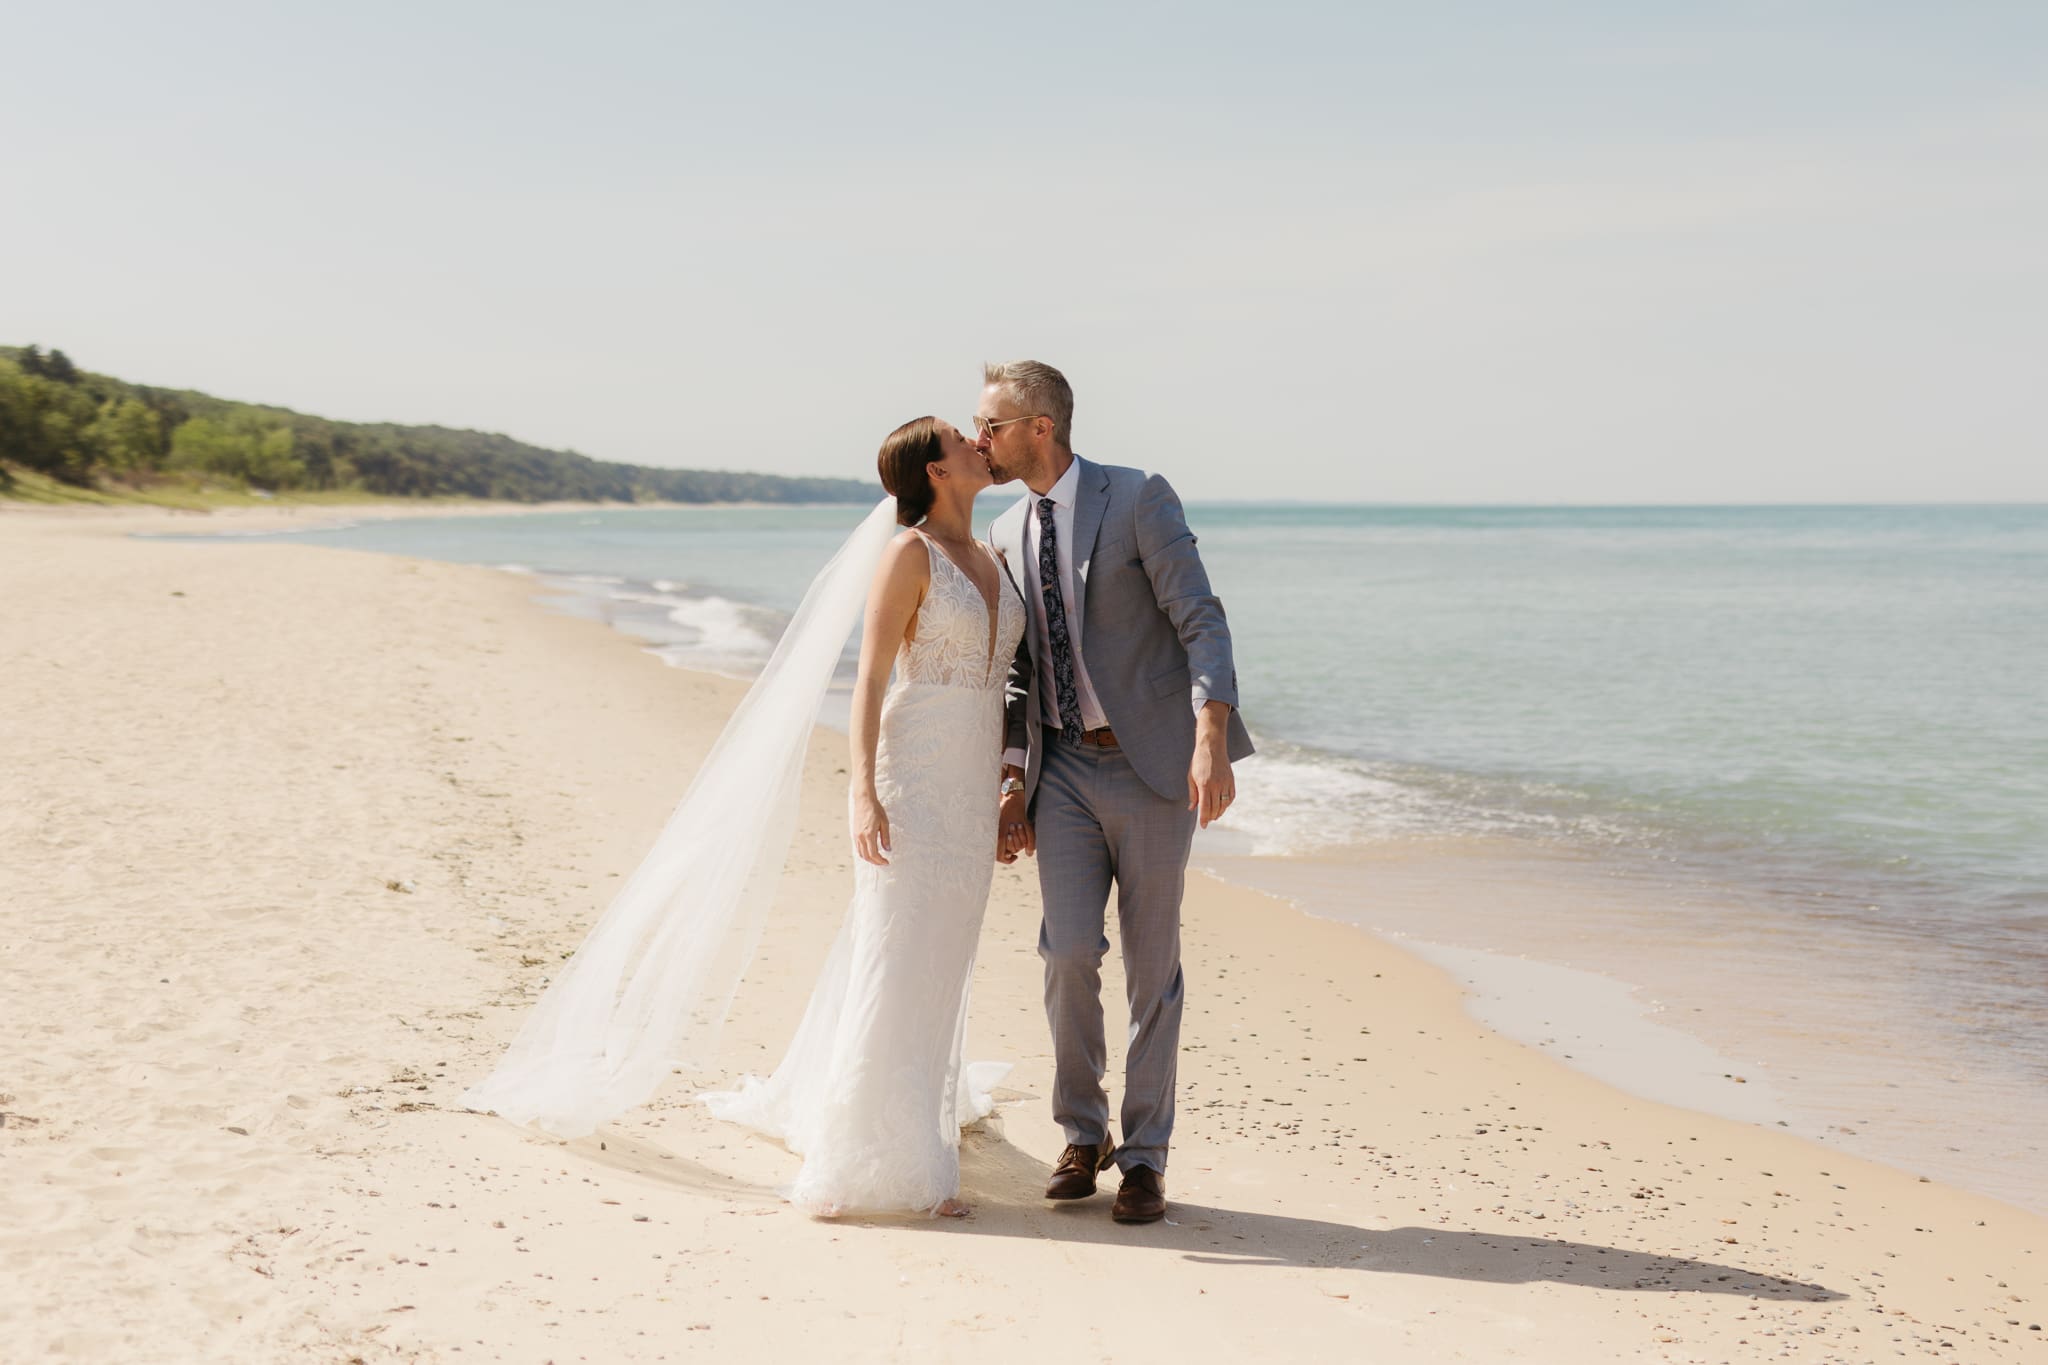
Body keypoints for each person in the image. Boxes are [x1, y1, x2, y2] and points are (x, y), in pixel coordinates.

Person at [463, 417, 1024, 1221]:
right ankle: (875, 1157)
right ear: (936, 470)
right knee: (897, 951)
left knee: (943, 955)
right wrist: (862, 791)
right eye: (963, 440)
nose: (980, 442)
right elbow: (867, 682)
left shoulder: (995, 557)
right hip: (914, 777)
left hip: (970, 784)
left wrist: (1011, 782)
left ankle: (920, 1116)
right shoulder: (909, 555)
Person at [979, 360, 1254, 1225]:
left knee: (1151, 967)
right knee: (1065, 952)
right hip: (1061, 773)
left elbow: (1200, 617)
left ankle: (1143, 1154)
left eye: (991, 424)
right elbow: (1021, 676)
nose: (979, 438)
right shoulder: (1004, 528)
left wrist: (1210, 738)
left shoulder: (1136, 498)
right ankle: (1081, 1131)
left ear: (1040, 428)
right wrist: (1014, 779)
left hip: (1154, 765)